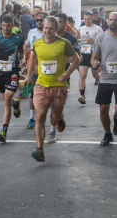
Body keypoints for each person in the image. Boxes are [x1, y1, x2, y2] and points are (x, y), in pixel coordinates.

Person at [24, 17, 80, 161]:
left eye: (51, 28)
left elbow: (77, 59)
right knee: (40, 115)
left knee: (55, 116)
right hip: (41, 85)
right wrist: (28, 75)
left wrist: (67, 74)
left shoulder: (64, 43)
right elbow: (33, 58)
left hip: (58, 87)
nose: (47, 31)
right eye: (45, 28)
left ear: (56, 29)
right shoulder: (37, 43)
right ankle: (40, 149)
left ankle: (60, 118)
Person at [91, 12, 117, 145]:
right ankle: (108, 134)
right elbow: (94, 57)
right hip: (105, 79)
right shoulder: (100, 37)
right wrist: (94, 63)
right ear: (107, 21)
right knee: (103, 110)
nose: (113, 22)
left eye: (116, 20)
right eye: (110, 20)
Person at [0, 14, 25, 143]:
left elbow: (21, 51)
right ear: (1, 25)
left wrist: (23, 59)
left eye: (8, 25)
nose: (6, 28)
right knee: (7, 100)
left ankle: (4, 131)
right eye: (3, 25)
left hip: (13, 72)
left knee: (7, 100)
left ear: (12, 25)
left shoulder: (18, 38)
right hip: (0, 72)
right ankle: (16, 104)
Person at [48, 12, 81, 143]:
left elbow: (79, 58)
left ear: (65, 23)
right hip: (47, 76)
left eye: (60, 22)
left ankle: (59, 118)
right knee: (49, 105)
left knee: (56, 108)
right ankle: (51, 131)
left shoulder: (71, 39)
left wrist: (71, 59)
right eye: (55, 21)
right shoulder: (48, 36)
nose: (56, 24)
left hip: (62, 77)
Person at [24, 12, 47, 129]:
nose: (39, 22)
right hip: (33, 66)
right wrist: (23, 59)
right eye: (37, 20)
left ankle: (50, 118)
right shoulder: (31, 32)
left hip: (46, 67)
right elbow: (27, 46)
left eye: (41, 20)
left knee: (46, 93)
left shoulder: (48, 33)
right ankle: (32, 118)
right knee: (32, 93)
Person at [78, 11, 103, 104]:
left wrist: (92, 41)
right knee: (82, 75)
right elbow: (81, 39)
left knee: (95, 75)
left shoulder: (97, 28)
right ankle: (82, 95)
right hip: (83, 54)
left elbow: (102, 41)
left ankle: (98, 78)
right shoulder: (81, 28)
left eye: (88, 19)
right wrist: (78, 41)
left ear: (92, 18)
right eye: (84, 18)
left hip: (94, 54)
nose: (86, 20)